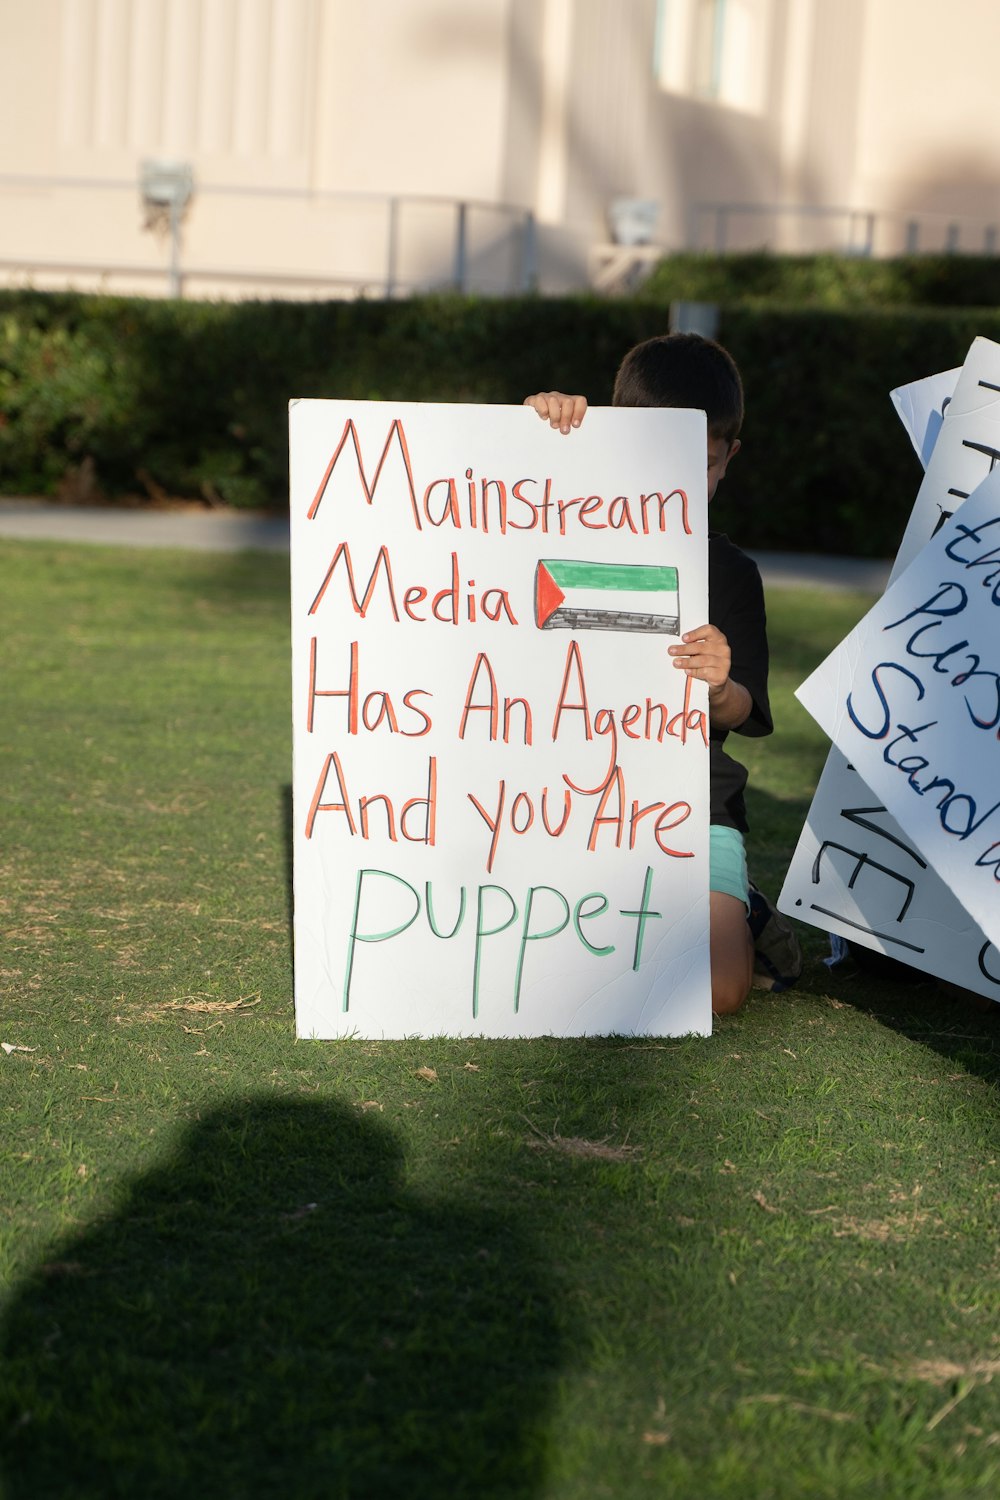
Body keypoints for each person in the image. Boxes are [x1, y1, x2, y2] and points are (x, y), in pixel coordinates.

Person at [525, 332, 788, 1015]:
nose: (673, 482)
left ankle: (742, 912)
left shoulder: (732, 575)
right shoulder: (558, 528)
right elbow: (498, 497)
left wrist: (721, 688)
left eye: (697, 464)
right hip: (560, 785)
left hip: (692, 797)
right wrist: (546, 430)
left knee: (719, 991)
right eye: (651, 457)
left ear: (727, 460)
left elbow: (744, 713)